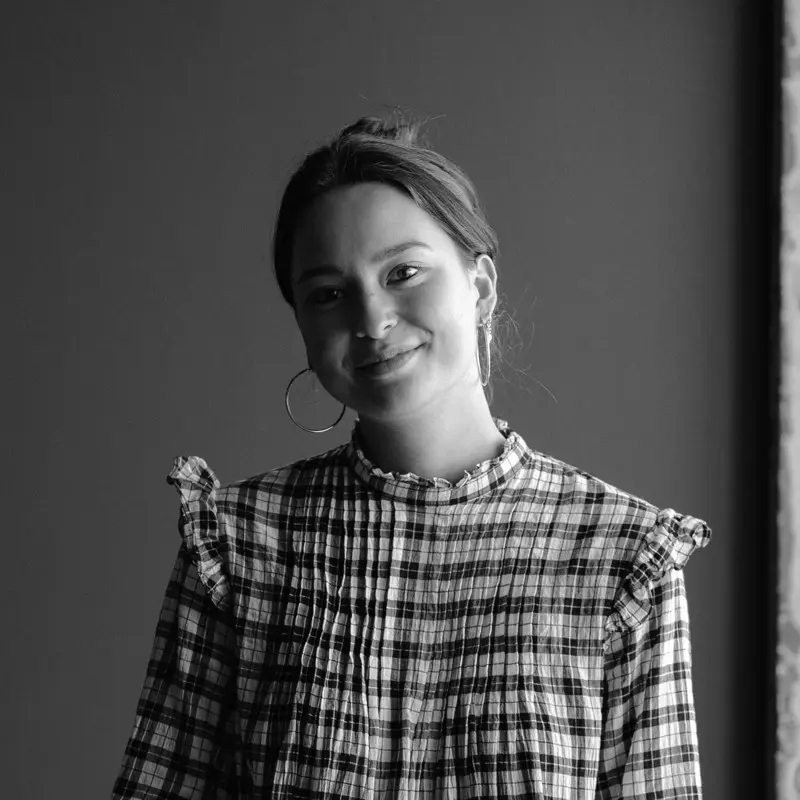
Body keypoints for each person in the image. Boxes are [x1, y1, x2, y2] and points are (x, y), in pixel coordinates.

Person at [112, 115, 712, 799]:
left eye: (403, 272)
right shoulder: (237, 542)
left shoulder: (622, 558)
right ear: (302, 324)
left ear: (480, 287)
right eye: (328, 294)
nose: (371, 320)